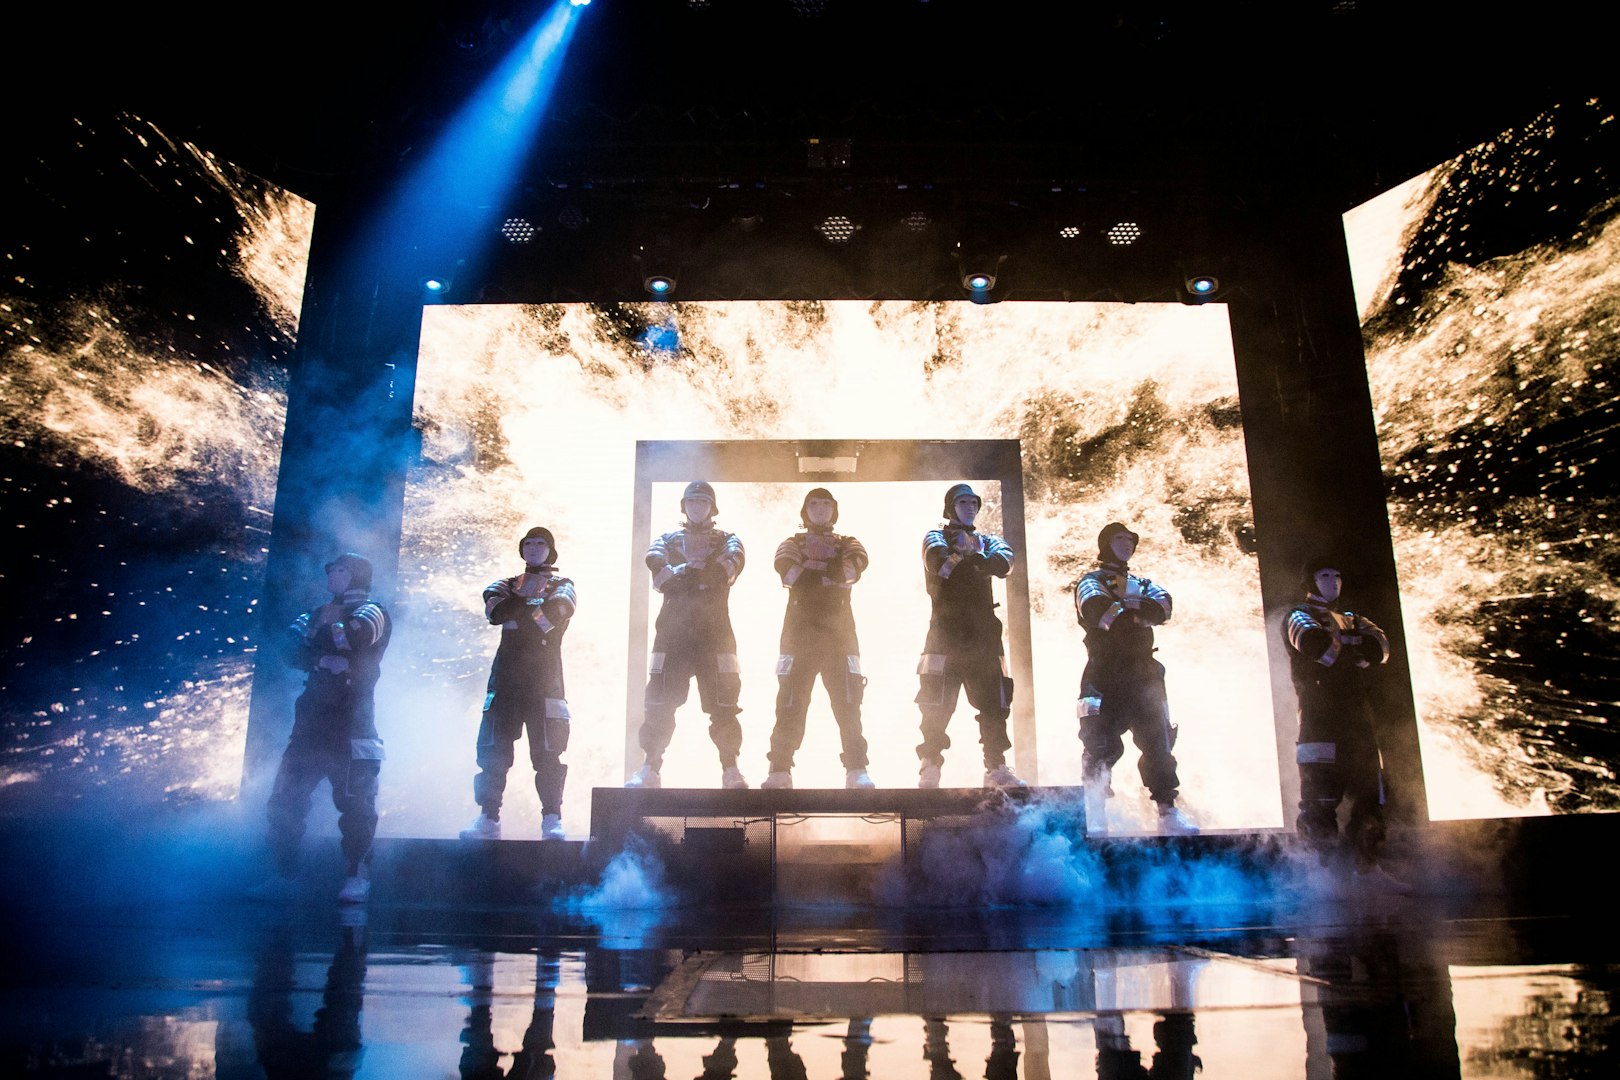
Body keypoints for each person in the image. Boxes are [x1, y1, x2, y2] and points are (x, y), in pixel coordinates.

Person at [263, 552, 391, 904]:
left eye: (339, 571)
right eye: (331, 570)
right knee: (285, 800)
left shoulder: (373, 610)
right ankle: (282, 874)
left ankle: (356, 874)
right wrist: (322, 656)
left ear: (356, 576)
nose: (332, 576)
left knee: (356, 805)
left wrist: (328, 633)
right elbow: (289, 647)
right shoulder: (317, 611)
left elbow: (356, 637)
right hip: (310, 726)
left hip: (353, 727)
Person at [1284, 557, 1411, 893]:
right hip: (1318, 719)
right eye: (1325, 575)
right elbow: (1319, 649)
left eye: (1338, 575)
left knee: (1371, 796)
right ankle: (1320, 871)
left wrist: (1348, 646)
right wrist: (1351, 646)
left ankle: (1366, 868)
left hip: (1357, 721)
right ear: (1311, 580)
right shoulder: (1298, 615)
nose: (1333, 581)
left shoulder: (1354, 617)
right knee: (1319, 798)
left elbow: (1381, 647)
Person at [1074, 522, 1197, 834]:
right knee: (1099, 743)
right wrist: (1138, 611)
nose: (1126, 544)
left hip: (1143, 674)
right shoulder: (1089, 581)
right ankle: (1096, 814)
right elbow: (1098, 612)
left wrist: (1126, 607)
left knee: (1158, 741)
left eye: (1130, 540)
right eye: (1119, 539)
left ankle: (1167, 813)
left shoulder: (1142, 581)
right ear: (1105, 544)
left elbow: (1165, 607)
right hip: (1102, 674)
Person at [459, 526, 577, 843]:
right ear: (521, 549)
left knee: (548, 753)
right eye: (529, 543)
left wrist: (522, 615)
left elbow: (554, 616)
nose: (534, 547)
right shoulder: (505, 584)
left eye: (541, 543)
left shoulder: (563, 585)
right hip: (506, 682)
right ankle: (488, 817)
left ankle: (552, 818)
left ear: (551, 550)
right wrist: (533, 614)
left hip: (545, 682)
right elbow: (496, 610)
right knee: (492, 753)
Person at [628, 481, 748, 789]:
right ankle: (650, 768)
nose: (697, 507)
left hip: (716, 633)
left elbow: (729, 568)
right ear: (684, 506)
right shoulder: (666, 540)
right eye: (691, 501)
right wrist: (691, 574)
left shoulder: (727, 539)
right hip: (672, 633)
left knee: (724, 703)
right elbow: (658, 569)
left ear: (712, 507)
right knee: (659, 702)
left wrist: (687, 573)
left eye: (703, 502)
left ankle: (730, 769)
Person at [761, 488, 874, 790]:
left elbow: (853, 569)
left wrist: (811, 569)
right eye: (814, 503)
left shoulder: (849, 542)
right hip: (799, 634)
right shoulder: (791, 542)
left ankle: (856, 768)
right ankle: (779, 769)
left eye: (826, 504)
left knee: (849, 701)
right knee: (790, 701)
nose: (820, 509)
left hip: (840, 636)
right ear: (805, 510)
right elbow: (788, 573)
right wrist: (826, 573)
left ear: (834, 509)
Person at [914, 483, 1024, 789]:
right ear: (950, 507)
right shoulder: (934, 536)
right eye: (963, 502)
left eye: (973, 502)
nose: (970, 507)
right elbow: (939, 565)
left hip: (984, 637)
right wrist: (973, 562)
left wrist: (968, 559)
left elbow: (1004, 563)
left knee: (995, 702)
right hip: (944, 635)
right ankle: (930, 763)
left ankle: (996, 766)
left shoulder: (989, 541)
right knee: (936, 702)